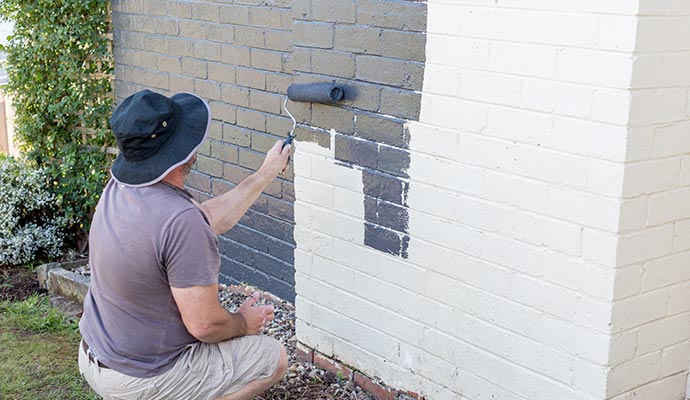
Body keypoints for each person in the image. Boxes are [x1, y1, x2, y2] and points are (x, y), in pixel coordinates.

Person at [78, 90, 291, 400]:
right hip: (140, 379)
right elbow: (205, 326)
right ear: (181, 152)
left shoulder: (121, 188)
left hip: (96, 355)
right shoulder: (180, 221)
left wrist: (266, 172)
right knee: (272, 358)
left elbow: (205, 218)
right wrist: (244, 323)